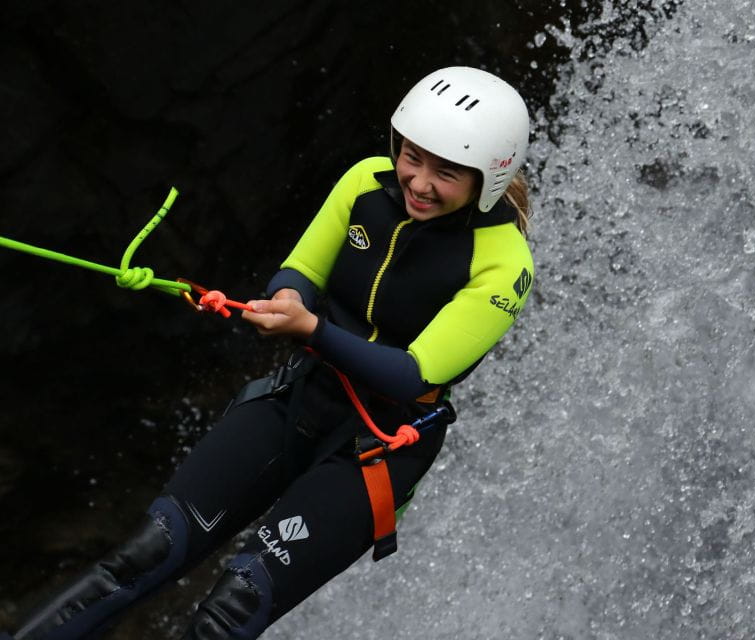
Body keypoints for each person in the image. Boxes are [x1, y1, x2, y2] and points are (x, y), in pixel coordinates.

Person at [4, 66, 534, 640]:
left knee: (229, 612)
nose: (419, 181)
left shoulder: (505, 265)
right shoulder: (365, 182)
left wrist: (310, 328)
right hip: (299, 396)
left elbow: (412, 375)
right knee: (146, 551)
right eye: (412, 156)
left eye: (446, 172)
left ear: (491, 176)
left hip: (376, 448)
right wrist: (287, 298)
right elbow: (302, 269)